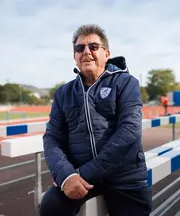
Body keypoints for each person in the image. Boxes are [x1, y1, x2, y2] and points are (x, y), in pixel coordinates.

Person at [39, 24, 152, 216]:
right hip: (78, 173)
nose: (86, 52)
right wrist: (66, 175)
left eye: (93, 47)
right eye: (79, 48)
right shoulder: (63, 93)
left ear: (106, 54)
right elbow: (52, 138)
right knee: (50, 207)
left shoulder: (125, 82)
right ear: (74, 56)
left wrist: (82, 175)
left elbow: (129, 132)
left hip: (123, 176)